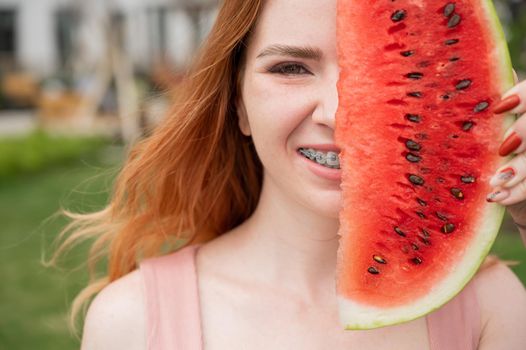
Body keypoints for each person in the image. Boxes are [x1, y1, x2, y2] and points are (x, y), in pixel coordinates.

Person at [65, 0, 526, 349]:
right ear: (238, 104)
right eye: (291, 68)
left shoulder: (489, 303)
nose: (339, 112)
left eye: (400, 76)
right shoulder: (132, 321)